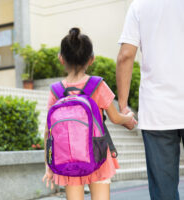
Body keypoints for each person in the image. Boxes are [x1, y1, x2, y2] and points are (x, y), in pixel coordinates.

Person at [116, 0, 184, 199]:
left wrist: (122, 107)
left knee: (163, 192)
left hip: (158, 113)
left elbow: (125, 55)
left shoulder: (140, 5)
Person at [42, 27, 135, 200]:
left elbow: (49, 131)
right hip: (97, 154)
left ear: (61, 59)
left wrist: (48, 164)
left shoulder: (56, 91)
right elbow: (115, 118)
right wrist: (128, 119)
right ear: (91, 59)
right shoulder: (97, 85)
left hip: (67, 159)